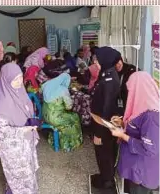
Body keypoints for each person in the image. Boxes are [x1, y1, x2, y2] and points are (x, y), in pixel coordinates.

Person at [0, 63, 40, 194]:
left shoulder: (20, 92)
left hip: (26, 143)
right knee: (18, 176)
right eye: (14, 79)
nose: (18, 82)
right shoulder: (1, 104)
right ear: (6, 80)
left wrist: (32, 126)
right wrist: (25, 130)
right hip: (14, 149)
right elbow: (1, 132)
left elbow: (28, 110)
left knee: (27, 173)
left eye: (20, 77)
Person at [110, 71, 159, 194]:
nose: (129, 93)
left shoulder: (152, 116)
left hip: (142, 170)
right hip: (134, 165)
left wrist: (122, 135)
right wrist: (122, 123)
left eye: (131, 90)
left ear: (140, 90)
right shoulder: (142, 106)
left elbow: (150, 148)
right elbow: (137, 127)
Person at [90, 47, 121, 190]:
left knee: (104, 152)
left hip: (104, 126)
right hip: (104, 124)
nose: (95, 62)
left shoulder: (109, 80)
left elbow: (106, 109)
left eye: (97, 59)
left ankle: (107, 182)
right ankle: (104, 176)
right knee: (105, 153)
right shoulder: (107, 74)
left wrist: (99, 133)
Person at [41, 73, 83, 151]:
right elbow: (69, 107)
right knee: (75, 117)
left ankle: (56, 140)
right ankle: (69, 143)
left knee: (66, 116)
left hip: (45, 116)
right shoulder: (63, 90)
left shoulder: (47, 85)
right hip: (55, 118)